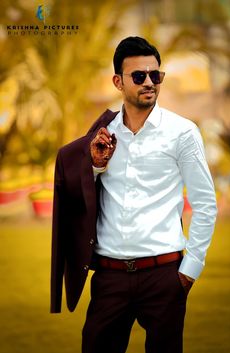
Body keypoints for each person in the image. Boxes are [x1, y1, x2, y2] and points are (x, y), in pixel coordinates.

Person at [50, 36, 217, 353]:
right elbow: (77, 192)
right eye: (139, 76)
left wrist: (188, 273)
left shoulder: (182, 133)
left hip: (164, 276)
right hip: (110, 279)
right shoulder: (104, 134)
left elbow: (206, 204)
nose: (149, 83)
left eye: (156, 75)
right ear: (118, 81)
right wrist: (96, 166)